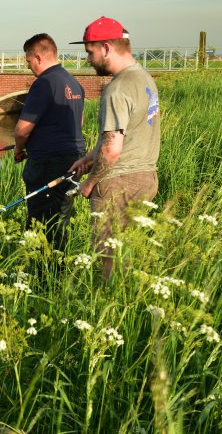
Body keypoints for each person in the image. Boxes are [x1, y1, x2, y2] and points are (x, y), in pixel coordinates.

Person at [68, 17, 160, 280]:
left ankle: (106, 306)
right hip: (146, 178)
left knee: (108, 257)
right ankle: (125, 306)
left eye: (89, 51)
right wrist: (88, 157)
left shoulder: (116, 89)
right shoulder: (144, 78)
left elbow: (112, 149)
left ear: (106, 48)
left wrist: (90, 182)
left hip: (117, 183)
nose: (88, 59)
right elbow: (126, 135)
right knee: (127, 252)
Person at [14, 33, 86, 254]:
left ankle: (38, 275)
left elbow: (22, 129)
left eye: (28, 62)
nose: (29, 67)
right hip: (74, 161)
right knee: (60, 219)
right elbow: (78, 123)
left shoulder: (43, 83)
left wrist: (19, 149)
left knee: (39, 221)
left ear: (38, 57)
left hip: (48, 165)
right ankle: (57, 272)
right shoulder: (74, 83)